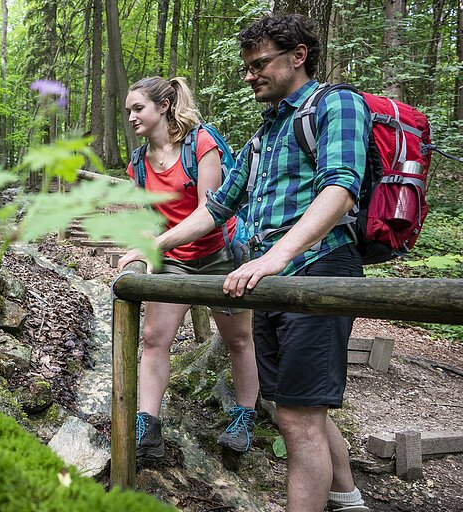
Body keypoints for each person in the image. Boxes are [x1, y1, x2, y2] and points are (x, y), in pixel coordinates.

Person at [120, 14, 371, 512]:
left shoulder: (337, 104)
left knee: (298, 419)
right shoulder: (265, 135)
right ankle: (349, 498)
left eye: (260, 64)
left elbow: (341, 187)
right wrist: (154, 246)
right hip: (266, 277)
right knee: (300, 410)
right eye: (247, 67)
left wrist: (277, 256)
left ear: (298, 56)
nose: (250, 75)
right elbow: (216, 208)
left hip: (316, 270)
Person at [117, 76, 259, 459]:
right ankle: (148, 426)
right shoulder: (138, 164)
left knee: (239, 339)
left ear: (163, 106)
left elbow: (209, 212)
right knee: (153, 338)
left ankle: (245, 417)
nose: (131, 117)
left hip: (220, 255)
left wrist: (157, 244)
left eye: (138, 108)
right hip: (175, 260)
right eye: (128, 110)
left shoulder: (201, 143)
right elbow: (151, 217)